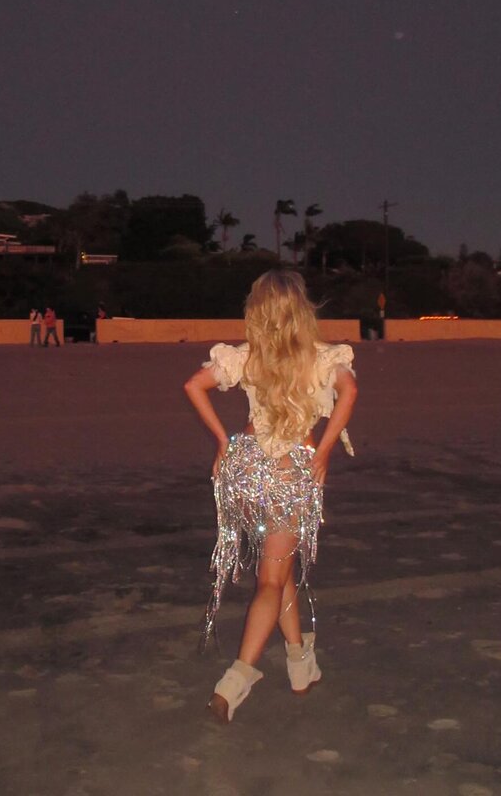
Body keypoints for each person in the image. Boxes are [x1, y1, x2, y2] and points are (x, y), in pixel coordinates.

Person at [184, 270, 357, 723]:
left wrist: (222, 441)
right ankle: (238, 677)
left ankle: (300, 663)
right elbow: (350, 392)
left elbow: (193, 386)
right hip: (288, 474)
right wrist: (324, 450)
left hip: (245, 471)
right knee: (271, 580)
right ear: (302, 309)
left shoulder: (248, 356)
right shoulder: (321, 357)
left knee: (278, 568)